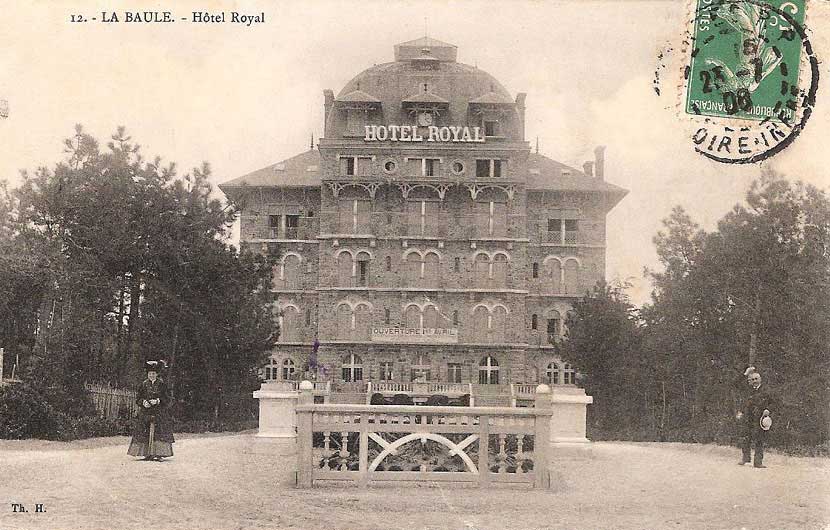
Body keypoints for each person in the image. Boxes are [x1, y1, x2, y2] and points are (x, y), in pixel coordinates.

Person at [128, 360, 175, 461]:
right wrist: (143, 402)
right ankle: (146, 453)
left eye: (153, 374)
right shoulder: (144, 384)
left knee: (159, 431)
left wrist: (158, 401)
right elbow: (138, 398)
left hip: (159, 411)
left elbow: (168, 398)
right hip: (146, 411)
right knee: (144, 431)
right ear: (147, 374)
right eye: (150, 374)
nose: (151, 375)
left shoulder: (162, 384)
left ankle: (158, 453)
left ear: (157, 374)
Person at [736, 366, 777, 468]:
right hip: (748, 417)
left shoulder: (767, 391)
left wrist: (768, 409)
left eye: (756, 379)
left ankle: (758, 462)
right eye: (752, 379)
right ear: (750, 381)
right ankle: (745, 458)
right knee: (745, 437)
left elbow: (774, 403)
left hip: (760, 418)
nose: (754, 381)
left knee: (759, 439)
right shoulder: (747, 390)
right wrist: (746, 373)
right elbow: (737, 386)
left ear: (760, 379)